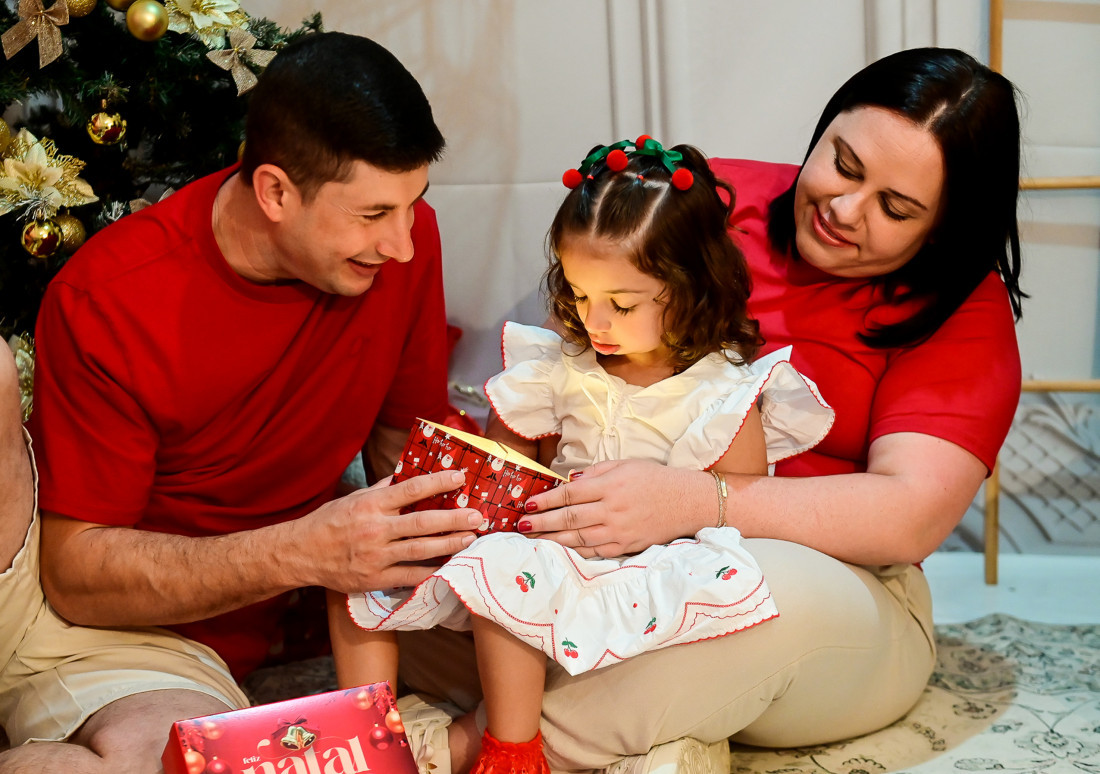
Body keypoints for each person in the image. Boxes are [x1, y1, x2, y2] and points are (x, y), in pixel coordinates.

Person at [393, 47, 1025, 774]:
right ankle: (658, 739)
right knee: (421, 581)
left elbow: (907, 516)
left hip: (827, 589)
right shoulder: (706, 201)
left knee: (755, 591)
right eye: (844, 165)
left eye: (895, 208)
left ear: (942, 228)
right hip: (611, 567)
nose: (844, 209)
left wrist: (696, 502)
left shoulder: (962, 310)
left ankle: (467, 750)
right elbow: (575, 347)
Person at [2, 32, 483, 770]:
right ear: (275, 193)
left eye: (412, 204)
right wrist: (304, 551)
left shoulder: (396, 251)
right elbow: (76, 579)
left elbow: (404, 452)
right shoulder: (113, 296)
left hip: (186, 640)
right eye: (372, 215)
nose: (403, 244)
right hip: (85, 608)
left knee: (169, 757)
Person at [329, 138, 835, 774]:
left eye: (621, 304)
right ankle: (367, 737)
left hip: (647, 575)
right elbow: (508, 476)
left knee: (512, 569)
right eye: (578, 292)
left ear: (689, 289)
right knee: (375, 564)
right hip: (545, 557)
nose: (595, 320)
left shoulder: (722, 395)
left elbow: (738, 518)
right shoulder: (558, 368)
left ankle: (512, 751)